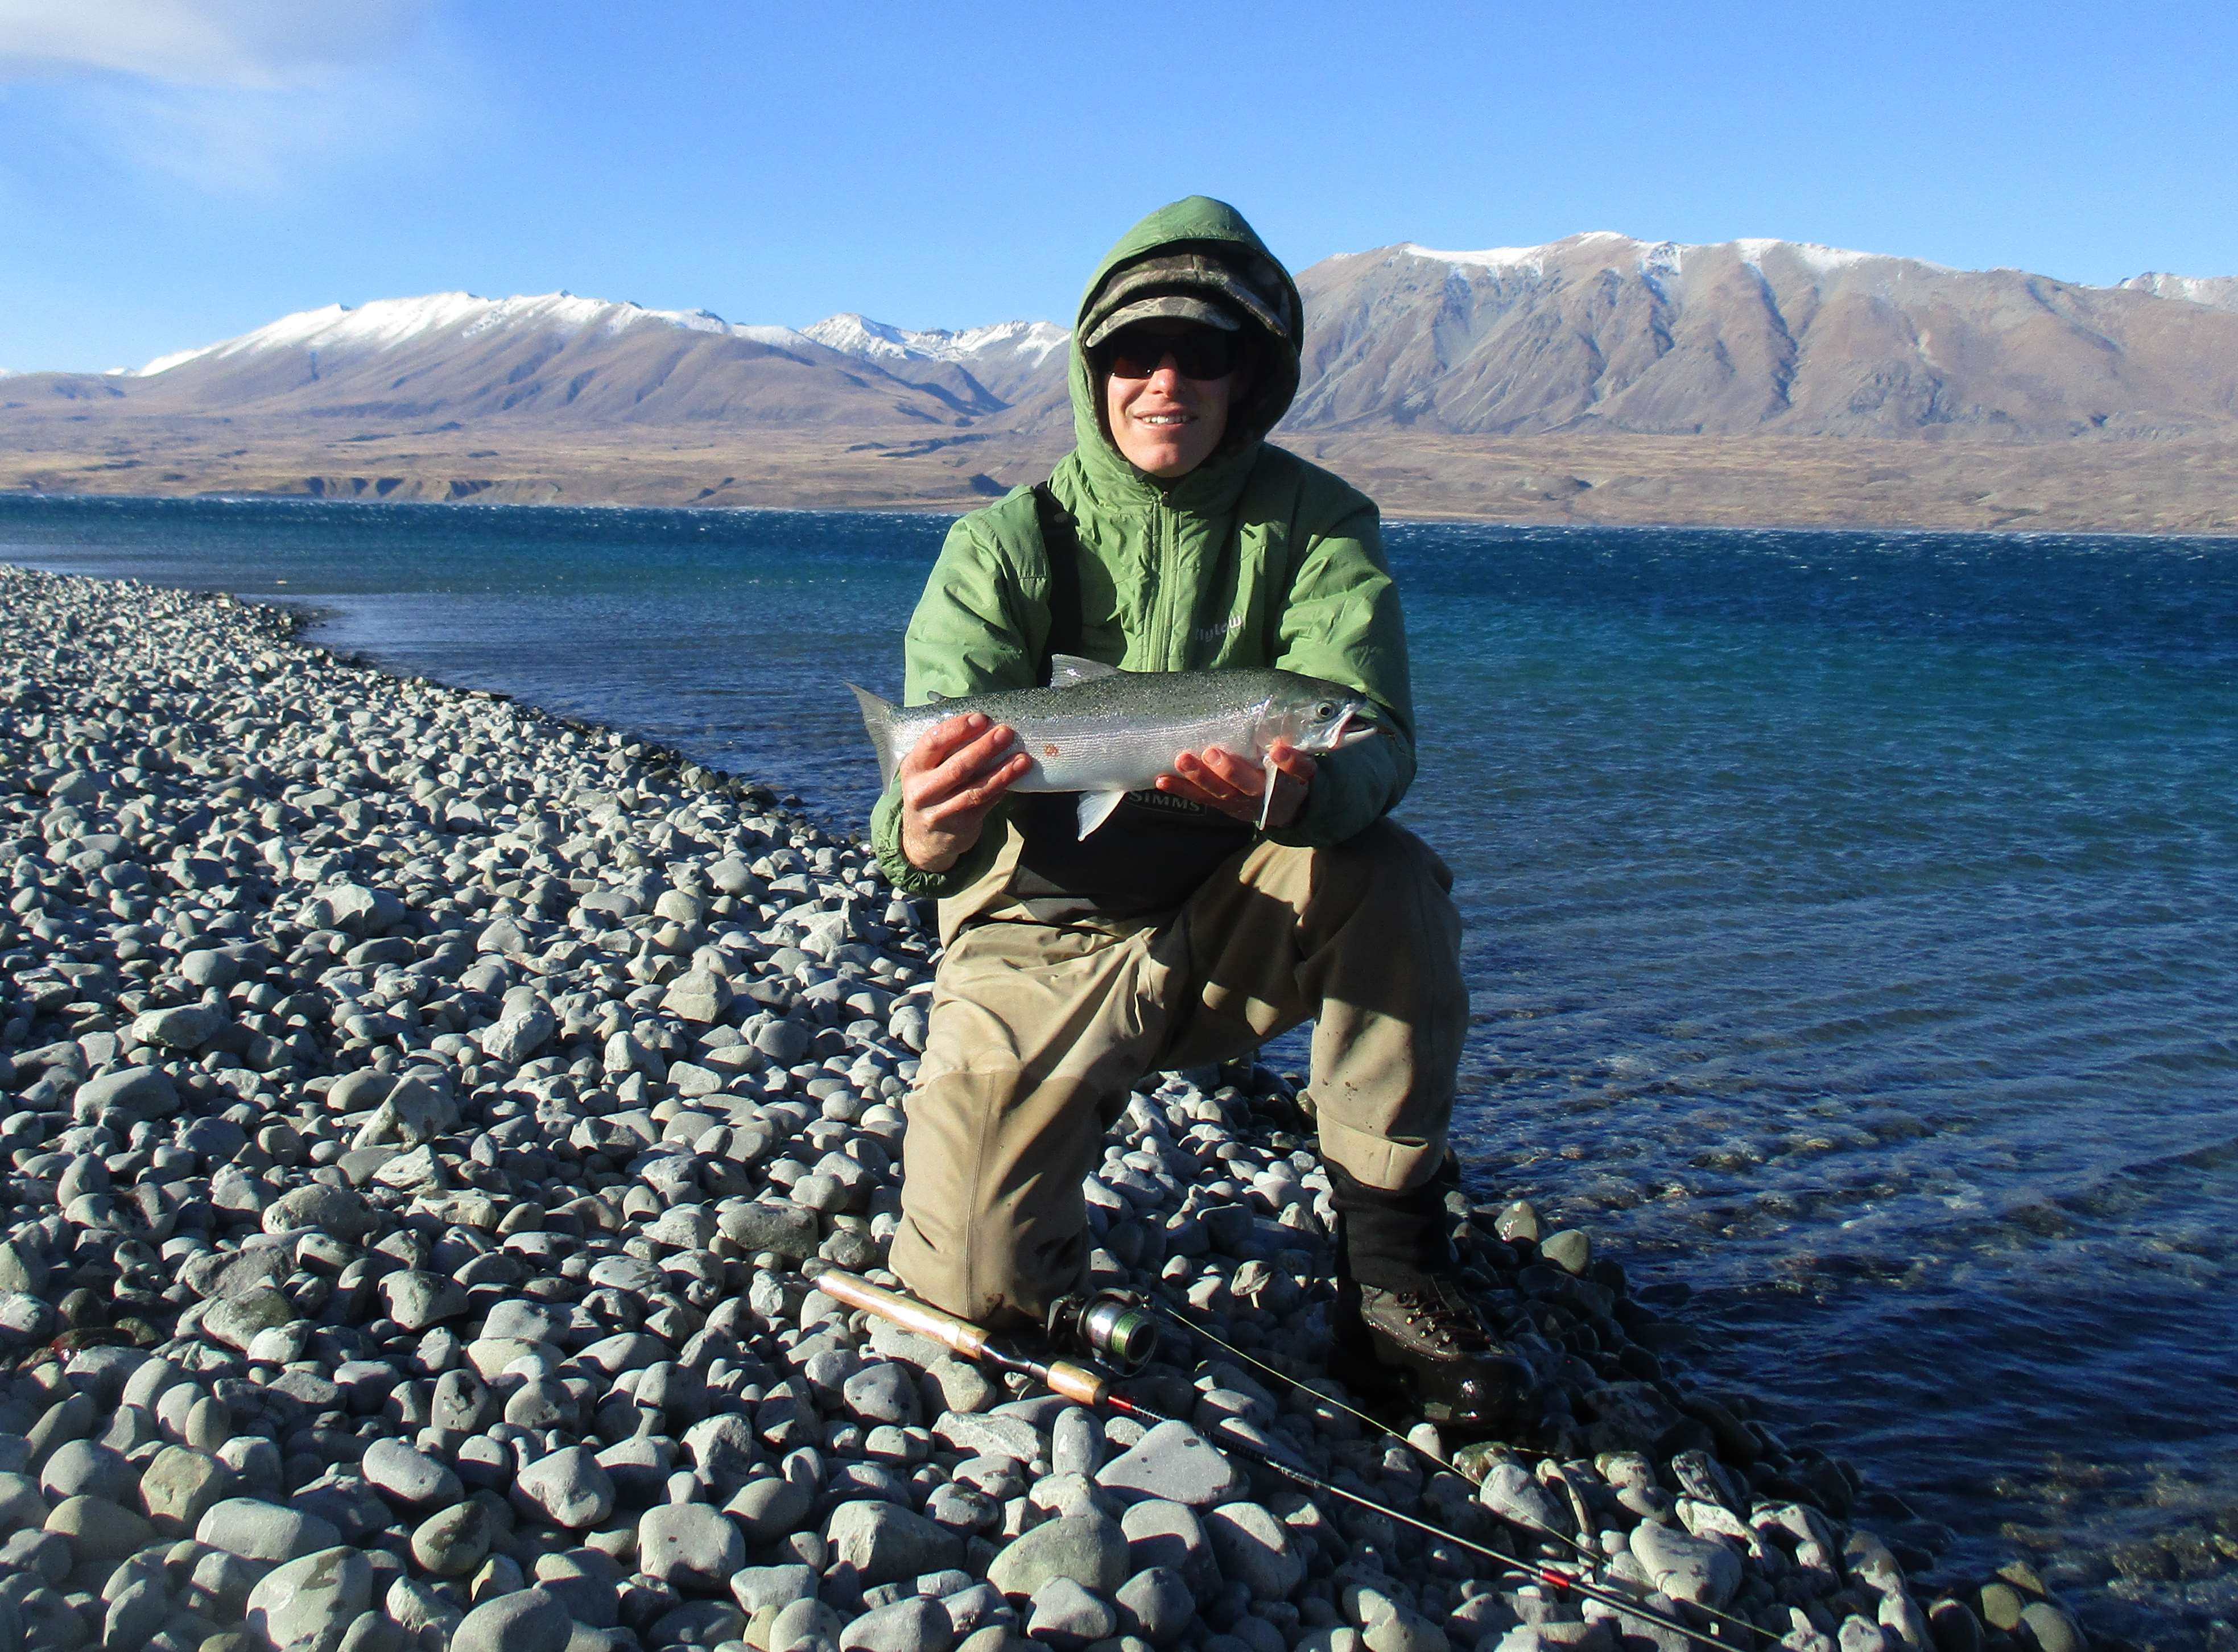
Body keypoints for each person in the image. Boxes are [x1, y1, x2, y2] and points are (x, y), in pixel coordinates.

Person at [868, 196, 1522, 1427]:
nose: (1164, 381)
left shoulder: (1317, 524)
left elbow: (1375, 737)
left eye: (1202, 355)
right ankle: (1024, 1246)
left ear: (1249, 375)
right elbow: (917, 802)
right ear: (1090, 369)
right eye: (1133, 353)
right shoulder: (1002, 544)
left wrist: (1308, 788)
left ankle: (1389, 1275)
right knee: (967, 1294)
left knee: (1388, 874)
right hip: (1037, 930)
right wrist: (919, 830)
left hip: (1233, 912)